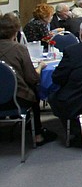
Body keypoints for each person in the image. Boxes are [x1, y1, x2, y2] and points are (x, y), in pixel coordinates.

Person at [0, 13, 56, 145]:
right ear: (15, 32)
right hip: (15, 99)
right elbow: (32, 78)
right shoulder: (19, 49)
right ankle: (38, 134)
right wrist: (40, 67)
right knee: (33, 90)